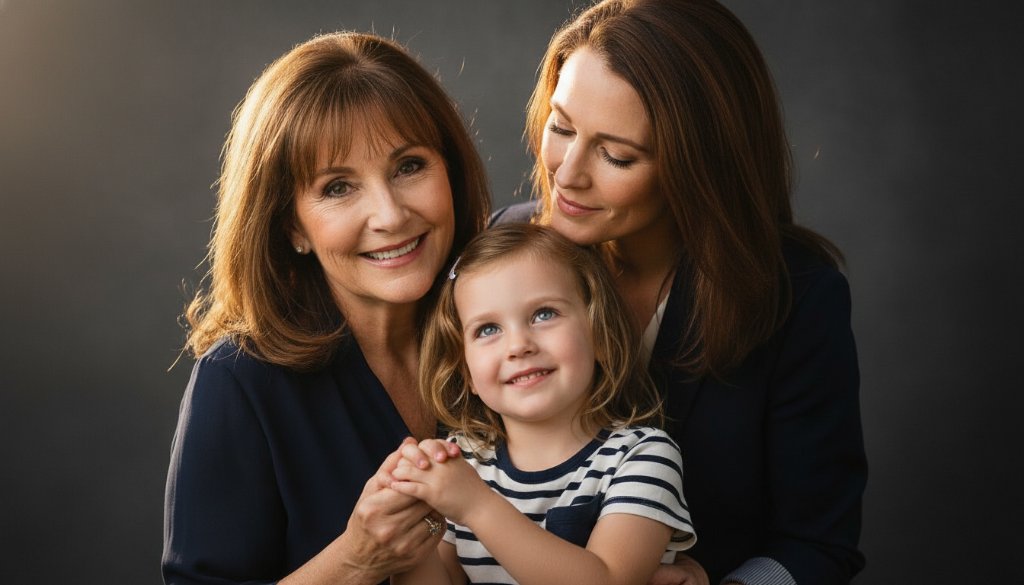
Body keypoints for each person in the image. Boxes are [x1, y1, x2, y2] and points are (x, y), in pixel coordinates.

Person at [491, 1, 868, 584]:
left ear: (702, 163)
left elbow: (818, 543)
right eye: (561, 127)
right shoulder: (504, 246)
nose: (567, 174)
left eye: (617, 155)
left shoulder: (796, 297)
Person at [162, 31, 490, 585]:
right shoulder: (239, 383)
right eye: (338, 188)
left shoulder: (506, 332)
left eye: (409, 166)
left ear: (450, 173)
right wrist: (355, 560)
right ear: (292, 226)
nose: (389, 214)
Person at [386, 223, 698, 585]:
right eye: (488, 329)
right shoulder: (463, 463)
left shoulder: (642, 457)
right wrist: (406, 542)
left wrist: (477, 506)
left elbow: (609, 580)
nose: (518, 345)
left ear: (599, 334)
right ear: (466, 372)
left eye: (544, 314)